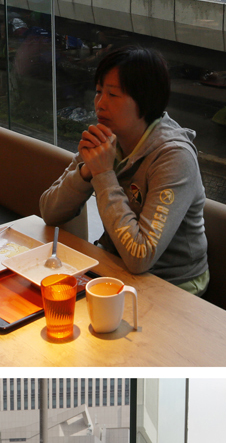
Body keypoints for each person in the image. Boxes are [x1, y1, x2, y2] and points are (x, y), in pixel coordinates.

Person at [40, 45, 209, 293]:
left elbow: (141, 256)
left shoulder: (174, 157)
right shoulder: (107, 140)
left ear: (145, 100)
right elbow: (49, 212)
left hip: (173, 285)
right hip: (114, 267)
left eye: (113, 95)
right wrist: (87, 172)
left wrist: (103, 175)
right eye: (98, 92)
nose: (99, 104)